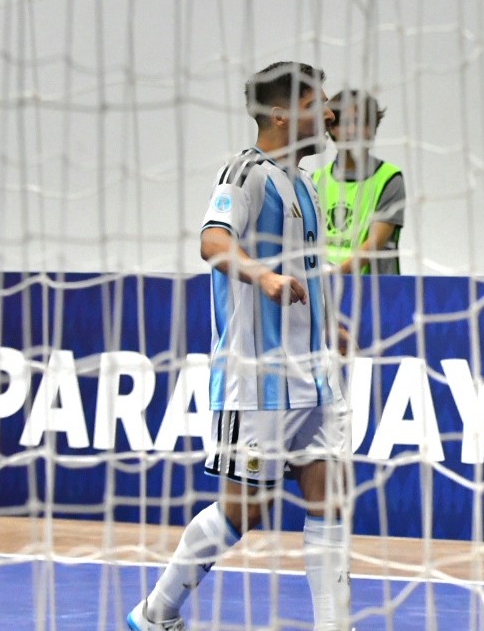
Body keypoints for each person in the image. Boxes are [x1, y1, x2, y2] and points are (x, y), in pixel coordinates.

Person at [128, 62, 354, 631]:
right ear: (281, 114)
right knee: (242, 512)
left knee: (329, 502)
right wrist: (264, 279)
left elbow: (306, 268)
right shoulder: (243, 173)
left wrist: (331, 323)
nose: (329, 114)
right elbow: (213, 241)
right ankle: (156, 612)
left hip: (315, 379)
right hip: (256, 382)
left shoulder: (304, 183)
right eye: (317, 103)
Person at [312, 89, 406, 275]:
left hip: (374, 295)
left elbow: (374, 244)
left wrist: (333, 275)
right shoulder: (314, 180)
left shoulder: (389, 178)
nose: (354, 131)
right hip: (323, 291)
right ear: (331, 128)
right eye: (347, 123)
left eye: (363, 122)